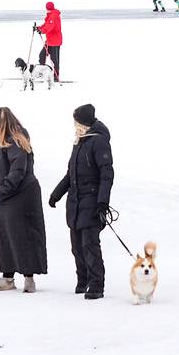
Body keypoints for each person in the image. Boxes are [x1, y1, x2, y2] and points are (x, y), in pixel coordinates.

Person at [48, 104, 114, 300]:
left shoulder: (99, 142)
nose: (74, 124)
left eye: (76, 121)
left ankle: (96, 284)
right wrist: (56, 194)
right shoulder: (80, 142)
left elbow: (107, 174)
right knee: (76, 246)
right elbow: (71, 174)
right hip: (76, 202)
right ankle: (83, 280)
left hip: (92, 202)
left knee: (89, 244)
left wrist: (102, 202)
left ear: (84, 122)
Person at [0, 107, 47, 293]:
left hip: (19, 196)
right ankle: (8, 277)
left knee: (22, 236)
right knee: (5, 236)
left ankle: (28, 278)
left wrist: (0, 192)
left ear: (0, 125)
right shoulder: (7, 140)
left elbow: (17, 172)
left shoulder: (16, 141)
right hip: (8, 197)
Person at [36, 2, 62, 81]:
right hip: (50, 41)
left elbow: (49, 27)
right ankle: (42, 73)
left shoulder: (53, 16)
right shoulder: (51, 15)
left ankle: (56, 76)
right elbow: (46, 25)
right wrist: (38, 28)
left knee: (54, 59)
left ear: (47, 8)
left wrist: (42, 31)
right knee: (42, 55)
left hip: (55, 41)